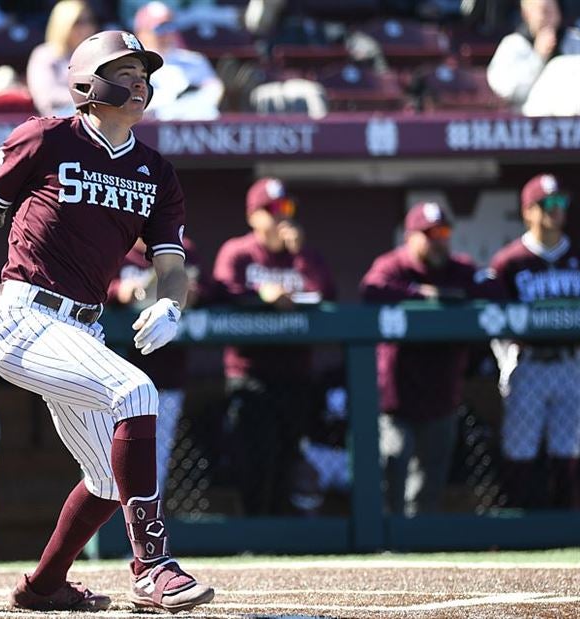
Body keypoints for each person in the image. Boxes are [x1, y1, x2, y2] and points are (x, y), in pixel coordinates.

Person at [0, 30, 214, 613]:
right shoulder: (46, 137)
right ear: (87, 83)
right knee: (135, 390)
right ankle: (152, 567)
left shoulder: (157, 171)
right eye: (123, 70)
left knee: (109, 479)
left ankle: (44, 586)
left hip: (83, 328)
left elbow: (170, 261)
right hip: (22, 316)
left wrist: (170, 302)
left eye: (143, 72)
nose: (138, 81)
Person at [212, 177, 336, 516]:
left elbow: (325, 292)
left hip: (295, 374)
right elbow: (223, 290)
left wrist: (299, 256)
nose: (282, 217)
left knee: (290, 459)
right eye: (272, 210)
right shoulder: (238, 251)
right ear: (253, 216)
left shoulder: (304, 255)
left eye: (287, 209)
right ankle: (254, 539)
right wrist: (261, 296)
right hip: (250, 374)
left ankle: (283, 541)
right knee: (253, 461)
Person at [360, 202, 490, 516]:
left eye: (442, 232)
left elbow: (493, 290)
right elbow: (370, 291)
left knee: (429, 483)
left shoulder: (461, 268)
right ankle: (388, 545)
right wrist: (427, 295)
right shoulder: (393, 265)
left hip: (442, 396)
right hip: (397, 399)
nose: (437, 240)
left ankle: (421, 553)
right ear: (410, 236)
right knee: (392, 466)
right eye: (429, 234)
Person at [488, 174, 580, 509]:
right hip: (529, 364)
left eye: (561, 203)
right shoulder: (510, 261)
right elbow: (493, 319)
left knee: (569, 452)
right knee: (520, 451)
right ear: (528, 211)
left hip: (571, 363)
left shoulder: (576, 253)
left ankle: (568, 527)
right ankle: (520, 528)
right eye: (548, 204)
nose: (556, 211)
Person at [107, 238, 206, 494]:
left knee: (153, 465)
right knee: (107, 462)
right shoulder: (115, 241)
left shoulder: (183, 248)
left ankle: (143, 528)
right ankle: (111, 529)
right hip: (115, 376)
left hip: (166, 374)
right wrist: (120, 290)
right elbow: (88, 287)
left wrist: (192, 293)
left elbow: (212, 289)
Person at [133, 1, 223, 121]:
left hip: (192, 122)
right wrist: (170, 99)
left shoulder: (194, 60)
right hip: (150, 125)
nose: (166, 33)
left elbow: (214, 89)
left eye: (169, 26)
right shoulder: (132, 64)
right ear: (142, 31)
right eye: (159, 28)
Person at [487, 0, 580, 113]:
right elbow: (505, 89)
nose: (548, 16)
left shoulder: (574, 40)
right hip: (527, 120)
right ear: (526, 14)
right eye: (543, 11)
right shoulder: (513, 45)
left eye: (552, 10)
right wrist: (538, 57)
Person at [24, 0, 99, 117]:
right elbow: (46, 96)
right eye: (78, 22)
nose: (87, 27)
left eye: (89, 21)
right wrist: (92, 97)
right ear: (63, 25)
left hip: (94, 120)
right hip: (59, 122)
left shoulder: (96, 56)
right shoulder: (44, 54)